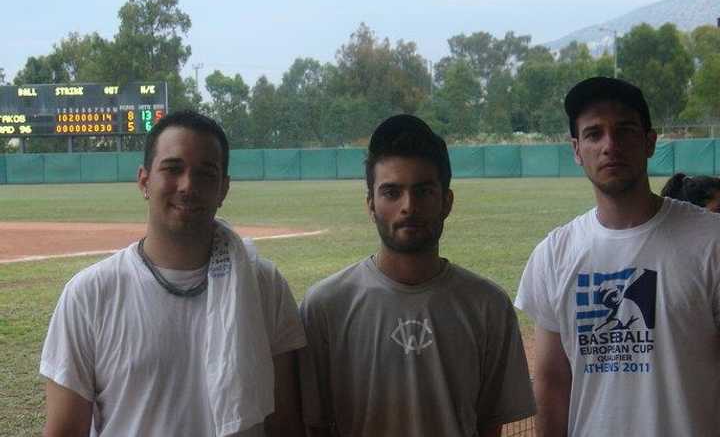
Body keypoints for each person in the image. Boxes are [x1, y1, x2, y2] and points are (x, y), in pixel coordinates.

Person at [40, 110, 307, 437]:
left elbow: (285, 424)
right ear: (144, 181)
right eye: (172, 168)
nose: (187, 185)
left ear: (223, 188)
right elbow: (65, 431)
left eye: (206, 173)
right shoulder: (89, 295)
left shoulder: (264, 285)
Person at [299, 114, 536, 437]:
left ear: (447, 202)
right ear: (370, 205)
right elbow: (314, 425)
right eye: (391, 193)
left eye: (423, 191)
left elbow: (489, 425)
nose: (408, 206)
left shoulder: (488, 306)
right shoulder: (325, 306)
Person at [515, 76, 720, 436]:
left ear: (650, 141)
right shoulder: (553, 255)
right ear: (577, 150)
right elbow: (551, 386)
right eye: (594, 134)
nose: (610, 145)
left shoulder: (710, 242)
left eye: (625, 130)